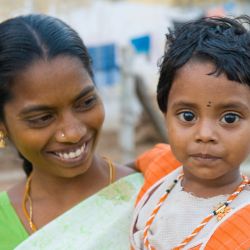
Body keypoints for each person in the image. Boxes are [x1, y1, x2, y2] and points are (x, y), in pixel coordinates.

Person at [0, 13, 150, 250]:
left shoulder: (153, 192)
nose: (73, 133)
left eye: (86, 102)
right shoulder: (2, 224)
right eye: (42, 118)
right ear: (3, 126)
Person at [130, 15, 250, 249]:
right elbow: (122, 170)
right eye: (187, 116)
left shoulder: (243, 223)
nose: (205, 134)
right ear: (165, 116)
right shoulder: (162, 167)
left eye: (229, 118)